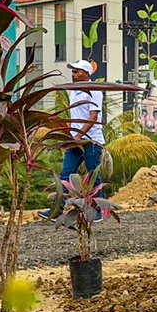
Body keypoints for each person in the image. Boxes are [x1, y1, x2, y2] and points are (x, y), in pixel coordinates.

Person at [40, 60, 105, 221]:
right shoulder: (73, 91)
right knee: (65, 175)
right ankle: (56, 210)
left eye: (77, 71)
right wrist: (70, 136)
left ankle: (98, 210)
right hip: (75, 140)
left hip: (91, 141)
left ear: (86, 74)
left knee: (92, 176)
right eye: (73, 71)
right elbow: (73, 117)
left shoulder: (94, 91)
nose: (73, 74)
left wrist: (78, 136)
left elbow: (93, 117)